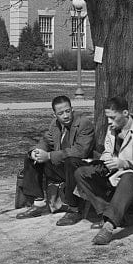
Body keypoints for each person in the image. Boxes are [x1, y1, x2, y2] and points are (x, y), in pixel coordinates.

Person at [73, 95, 133, 246]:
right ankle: (109, 213)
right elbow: (108, 151)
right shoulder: (112, 130)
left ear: (125, 113)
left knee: (128, 177)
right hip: (115, 173)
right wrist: (105, 160)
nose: (109, 122)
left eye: (112, 117)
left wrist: (125, 163)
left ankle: (108, 227)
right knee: (81, 173)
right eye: (107, 117)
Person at [16, 94, 96, 226]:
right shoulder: (56, 124)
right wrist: (37, 152)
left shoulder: (84, 124)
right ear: (55, 115)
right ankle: (39, 204)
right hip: (61, 167)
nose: (65, 116)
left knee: (71, 160)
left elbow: (80, 151)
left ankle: (74, 209)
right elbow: (46, 141)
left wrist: (49, 156)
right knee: (31, 156)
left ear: (72, 109)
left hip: (79, 169)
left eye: (67, 111)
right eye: (61, 113)